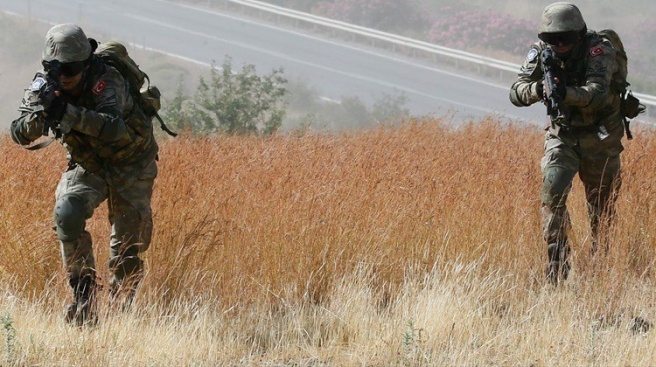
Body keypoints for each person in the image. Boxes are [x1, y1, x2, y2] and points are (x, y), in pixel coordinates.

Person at [10, 24, 159, 324]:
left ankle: (121, 314)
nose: (64, 76)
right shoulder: (44, 88)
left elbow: (113, 128)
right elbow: (18, 133)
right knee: (67, 214)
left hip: (131, 163)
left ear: (86, 62)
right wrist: (41, 115)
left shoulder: (107, 80)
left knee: (127, 247)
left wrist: (66, 113)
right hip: (89, 165)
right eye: (56, 69)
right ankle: (83, 299)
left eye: (71, 68)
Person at [509, 2, 625, 284]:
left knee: (602, 205)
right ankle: (557, 264)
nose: (559, 45)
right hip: (563, 135)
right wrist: (539, 89)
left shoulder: (599, 50)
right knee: (552, 192)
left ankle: (601, 265)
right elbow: (515, 91)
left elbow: (597, 92)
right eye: (552, 39)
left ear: (579, 34)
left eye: (566, 38)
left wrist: (565, 93)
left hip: (600, 137)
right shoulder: (541, 52)